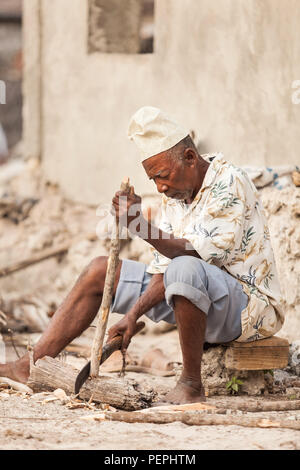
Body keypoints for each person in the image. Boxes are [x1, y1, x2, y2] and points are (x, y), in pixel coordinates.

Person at [0, 107, 284, 404]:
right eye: (153, 180)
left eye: (163, 176)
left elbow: (193, 256)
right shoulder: (177, 194)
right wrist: (132, 316)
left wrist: (138, 225)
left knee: (186, 267)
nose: (160, 187)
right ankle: (28, 367)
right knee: (100, 270)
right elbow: (164, 271)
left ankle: (191, 384)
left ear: (189, 157)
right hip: (199, 298)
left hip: (248, 311)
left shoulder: (230, 182)